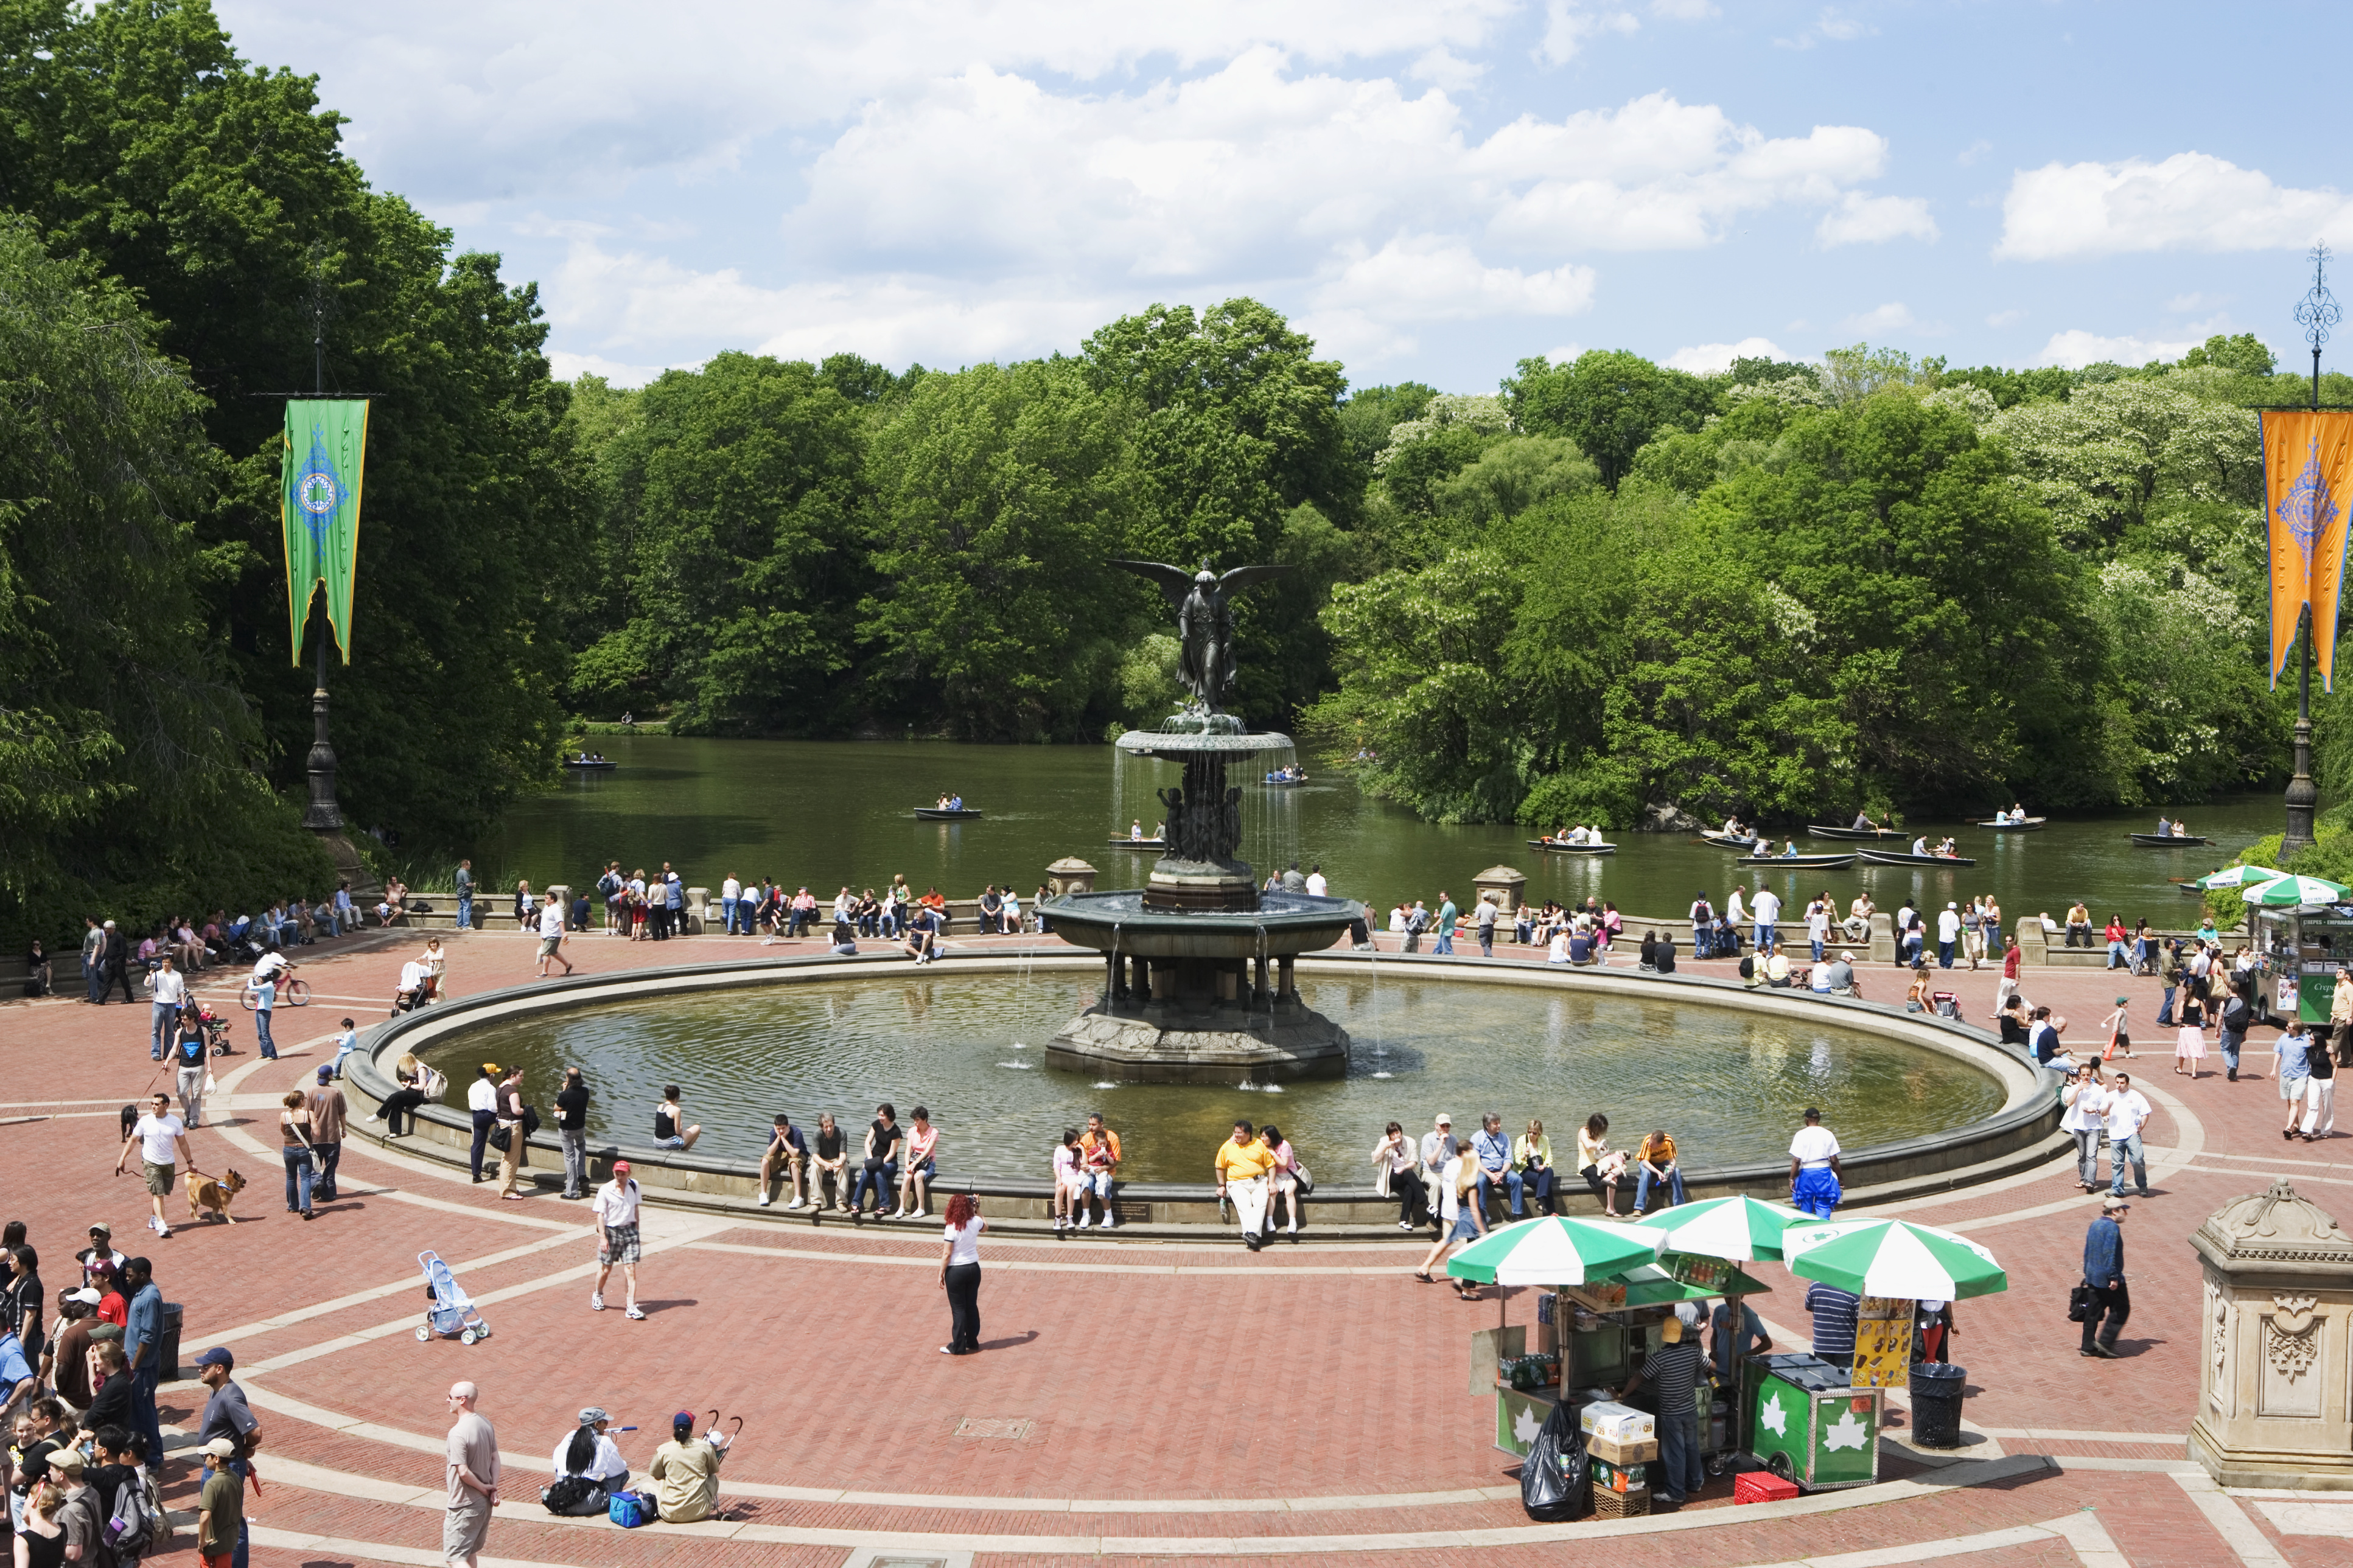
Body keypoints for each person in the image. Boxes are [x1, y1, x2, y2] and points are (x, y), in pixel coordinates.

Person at [1618, 1301, 1704, 1507]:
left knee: (1674, 1453)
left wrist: (1622, 1395)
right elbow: (1710, 1365)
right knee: (1692, 1447)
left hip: (1672, 1415)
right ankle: (1695, 1482)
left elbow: (1638, 1378)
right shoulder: (1692, 1353)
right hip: (1690, 1411)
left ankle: (1676, 1492)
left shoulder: (1660, 1358)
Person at [194, 1345, 258, 1568]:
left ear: (219, 1369)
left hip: (223, 1469)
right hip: (215, 1466)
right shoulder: (217, 1391)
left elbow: (255, 1432)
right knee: (221, 1520)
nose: (200, 1370)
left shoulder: (230, 1397)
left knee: (231, 1523)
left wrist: (244, 1450)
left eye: (205, 1366)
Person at [114, 1095, 190, 1240]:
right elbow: (133, 1141)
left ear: (166, 1105)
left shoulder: (175, 1122)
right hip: (150, 1162)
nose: (153, 1106)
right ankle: (162, 1225)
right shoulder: (144, 1121)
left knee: (161, 1194)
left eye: (157, 1104)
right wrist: (122, 1159)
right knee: (158, 1194)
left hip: (168, 1163)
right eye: (152, 1104)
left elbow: (183, 1143)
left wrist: (190, 1162)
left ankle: (154, 1219)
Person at [1414, 1151, 1485, 1299]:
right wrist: (1482, 1230)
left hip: (1453, 1212)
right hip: (1465, 1219)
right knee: (1470, 1252)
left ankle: (1425, 1268)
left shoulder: (1460, 1177)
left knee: (1447, 1241)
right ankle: (1461, 1280)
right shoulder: (1472, 1183)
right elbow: (1474, 1208)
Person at [444, 1381, 498, 1567]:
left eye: (450, 1397)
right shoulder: (485, 1424)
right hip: (483, 1504)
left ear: (462, 1400)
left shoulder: (457, 1433)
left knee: (455, 1559)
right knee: (469, 1552)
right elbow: (495, 1459)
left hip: (464, 1505)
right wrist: (493, 1489)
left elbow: (463, 1471)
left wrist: (484, 1488)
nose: (447, 1400)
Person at [119, 1258, 163, 1476]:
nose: (127, 1279)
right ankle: (154, 1454)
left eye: (130, 1275)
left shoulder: (150, 1297)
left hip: (142, 1367)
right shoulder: (141, 1293)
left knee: (144, 1413)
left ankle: (152, 1459)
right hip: (137, 1365)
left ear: (143, 1275)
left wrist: (134, 1366)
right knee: (143, 1410)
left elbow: (147, 1336)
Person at [649, 1410, 728, 1523]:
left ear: (674, 1429)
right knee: (713, 1479)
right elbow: (714, 1470)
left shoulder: (664, 1449)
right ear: (691, 1428)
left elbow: (655, 1473)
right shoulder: (704, 1447)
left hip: (669, 1513)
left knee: (646, 1487)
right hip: (699, 1512)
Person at [548, 1407, 629, 1513]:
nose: (606, 1425)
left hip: (561, 1501)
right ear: (596, 1424)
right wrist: (612, 1453)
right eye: (605, 1422)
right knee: (623, 1474)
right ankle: (606, 1504)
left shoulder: (570, 1436)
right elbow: (619, 1469)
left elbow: (556, 1463)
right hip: (584, 1504)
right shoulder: (604, 1442)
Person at [590, 1161, 645, 1319]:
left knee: (631, 1270)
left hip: (629, 1231)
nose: (620, 1177)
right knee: (606, 1269)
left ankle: (631, 1307)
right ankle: (598, 1294)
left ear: (629, 1174)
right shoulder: (606, 1190)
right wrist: (603, 1238)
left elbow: (635, 1208)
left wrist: (637, 1230)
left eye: (623, 1174)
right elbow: (600, 1215)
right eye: (617, 1174)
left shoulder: (634, 1186)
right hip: (611, 1231)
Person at [2080, 1197, 2130, 1358]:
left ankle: (2087, 1347)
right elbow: (2110, 1253)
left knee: (2093, 1312)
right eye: (2124, 1210)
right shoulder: (2112, 1228)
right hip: (2108, 1278)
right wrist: (2114, 1277)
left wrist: (2087, 1273)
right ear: (2115, 1211)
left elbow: (2088, 1250)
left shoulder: (2094, 1224)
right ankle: (2106, 1342)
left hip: (2093, 1276)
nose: (2126, 1213)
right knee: (2122, 1309)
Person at [1214, 1120, 1276, 1250]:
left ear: (1248, 1134)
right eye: (1235, 1133)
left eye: (1240, 1133)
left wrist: (1271, 1182)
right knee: (1245, 1207)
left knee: (1261, 1204)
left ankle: (1250, 1235)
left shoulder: (1259, 1144)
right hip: (1237, 1183)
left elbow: (1271, 1165)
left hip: (1259, 1182)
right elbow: (1219, 1167)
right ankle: (1252, 1236)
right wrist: (1221, 1185)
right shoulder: (1228, 1146)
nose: (1236, 1136)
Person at [939, 1191, 986, 1354]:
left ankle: (958, 1346)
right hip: (974, 1268)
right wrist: (978, 1207)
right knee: (971, 1306)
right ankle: (972, 1341)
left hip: (956, 1271)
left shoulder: (951, 1226)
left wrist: (941, 1273)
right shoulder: (975, 1221)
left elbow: (947, 1254)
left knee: (958, 1309)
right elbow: (986, 1227)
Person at [2061, 1065, 2108, 1193]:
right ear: (2080, 1076)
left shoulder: (2099, 1090)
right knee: (2082, 1155)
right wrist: (2078, 1091)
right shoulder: (2075, 1088)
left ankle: (2090, 1182)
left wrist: (2096, 1110)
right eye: (2084, 1075)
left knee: (2091, 1155)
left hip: (2094, 1127)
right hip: (2079, 1127)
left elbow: (2105, 1109)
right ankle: (2083, 1179)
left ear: (2091, 1075)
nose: (2086, 1077)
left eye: (2088, 1075)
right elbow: (2069, 1103)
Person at [1371, 1123, 1427, 1230]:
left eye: (1397, 1133)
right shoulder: (1384, 1142)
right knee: (1409, 1173)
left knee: (1409, 1188)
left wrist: (1404, 1168)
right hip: (1390, 1175)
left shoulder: (1410, 1142)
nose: (1396, 1136)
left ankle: (1404, 1220)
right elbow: (1375, 1159)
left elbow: (1414, 1162)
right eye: (1392, 1134)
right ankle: (1426, 1204)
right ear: (1389, 1136)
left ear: (1401, 1132)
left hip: (1404, 1174)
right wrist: (1385, 1147)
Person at [2104, 1071, 2152, 1198]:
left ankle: (2142, 1185)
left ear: (2127, 1083)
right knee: (2117, 1164)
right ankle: (2117, 1189)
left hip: (2132, 1134)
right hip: (2115, 1135)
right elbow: (2102, 1112)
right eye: (2117, 1083)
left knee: (2138, 1160)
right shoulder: (2110, 1096)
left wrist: (2140, 1128)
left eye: (2122, 1083)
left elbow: (2145, 1113)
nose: (2119, 1085)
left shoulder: (2136, 1096)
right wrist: (2107, 1108)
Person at [851, 1104, 903, 1218]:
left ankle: (885, 1206)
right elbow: (867, 1142)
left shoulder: (896, 1131)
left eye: (882, 1115)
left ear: (889, 1116)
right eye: (879, 1115)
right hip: (874, 1157)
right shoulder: (876, 1125)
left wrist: (879, 1164)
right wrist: (870, 1160)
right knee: (865, 1173)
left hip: (889, 1162)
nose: (880, 1118)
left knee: (879, 1173)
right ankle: (856, 1204)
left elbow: (892, 1153)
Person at [1788, 1108, 1841, 1219]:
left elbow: (1796, 1161)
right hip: (1824, 1174)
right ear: (1819, 1119)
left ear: (1806, 1119)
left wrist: (1792, 1179)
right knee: (1823, 1205)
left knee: (1806, 1206)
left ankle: (1806, 1229)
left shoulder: (1800, 1135)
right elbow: (1834, 1160)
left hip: (1806, 1175)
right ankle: (1824, 1227)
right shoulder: (1828, 1134)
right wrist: (1840, 1179)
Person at [307, 1065, 348, 1203]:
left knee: (314, 1166)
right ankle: (329, 1193)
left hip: (315, 1137)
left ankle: (316, 1184)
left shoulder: (310, 1091)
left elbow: (306, 1114)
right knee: (330, 1167)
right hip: (332, 1137)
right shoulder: (337, 1092)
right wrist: (344, 1129)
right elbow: (342, 1113)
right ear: (330, 1076)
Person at [1074, 1112, 1121, 1229]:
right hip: (1090, 1170)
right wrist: (1081, 1166)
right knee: (1086, 1185)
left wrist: (1105, 1168)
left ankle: (1109, 1217)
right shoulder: (1086, 1138)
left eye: (1094, 1125)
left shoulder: (1112, 1137)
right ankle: (1086, 1216)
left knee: (1102, 1187)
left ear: (1101, 1124)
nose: (1091, 1127)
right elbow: (1078, 1156)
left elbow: (1116, 1160)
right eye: (1089, 1124)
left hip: (1106, 1172)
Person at [1804, 1278, 1860, 1372]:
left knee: (1825, 1381)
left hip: (1821, 1344)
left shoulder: (1815, 1285)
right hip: (1846, 1347)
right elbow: (1860, 1318)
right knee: (1844, 1383)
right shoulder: (1855, 1290)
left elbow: (1808, 1306)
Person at [895, 1106, 939, 1219]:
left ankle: (921, 1208)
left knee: (918, 1177)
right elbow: (908, 1150)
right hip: (913, 1160)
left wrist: (914, 1163)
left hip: (927, 1162)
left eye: (918, 1120)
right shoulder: (912, 1131)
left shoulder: (934, 1132)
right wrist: (907, 1165)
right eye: (914, 1120)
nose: (915, 1123)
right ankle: (901, 1208)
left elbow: (927, 1151)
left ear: (925, 1120)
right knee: (907, 1177)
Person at [493, 1066, 530, 1201]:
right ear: (513, 1076)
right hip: (513, 1126)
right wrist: (526, 1110)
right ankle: (508, 1191)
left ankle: (507, 1187)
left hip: (503, 1125)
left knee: (506, 1158)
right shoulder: (512, 1090)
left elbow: (498, 1108)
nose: (522, 1078)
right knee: (512, 1159)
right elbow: (516, 1110)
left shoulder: (500, 1088)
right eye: (521, 1075)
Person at [1575, 1113, 1623, 1217]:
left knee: (1620, 1170)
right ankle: (1610, 1208)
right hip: (1586, 1165)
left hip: (1599, 1164)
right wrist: (1600, 1146)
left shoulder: (1598, 1136)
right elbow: (1588, 1145)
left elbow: (1599, 1154)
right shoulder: (1583, 1131)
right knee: (1612, 1178)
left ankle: (1610, 1208)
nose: (1600, 1131)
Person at [757, 1112, 807, 1208]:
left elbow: (794, 1154)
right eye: (778, 1129)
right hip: (781, 1153)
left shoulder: (797, 1133)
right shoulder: (773, 1133)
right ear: (775, 1127)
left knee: (794, 1164)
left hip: (799, 1153)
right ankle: (763, 1194)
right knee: (765, 1161)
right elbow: (770, 1152)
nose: (780, 1131)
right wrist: (778, 1138)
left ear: (788, 1126)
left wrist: (783, 1138)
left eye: (783, 1128)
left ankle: (798, 1197)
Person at [1509, 1119, 1554, 1219]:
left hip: (1539, 1169)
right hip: (1525, 1170)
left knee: (1549, 1171)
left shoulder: (1544, 1139)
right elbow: (1516, 1162)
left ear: (1539, 1133)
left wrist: (1545, 1165)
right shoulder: (1522, 1140)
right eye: (1529, 1132)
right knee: (1546, 1182)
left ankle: (1542, 1203)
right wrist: (1523, 1156)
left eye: (1534, 1133)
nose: (1531, 1135)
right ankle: (1550, 1212)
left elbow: (1549, 1157)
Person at [1632, 1127, 1683, 1214]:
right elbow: (1645, 1162)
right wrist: (1658, 1172)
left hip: (1663, 1162)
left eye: (1652, 1144)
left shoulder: (1669, 1141)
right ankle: (1639, 1208)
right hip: (1647, 1162)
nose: (1650, 1144)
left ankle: (1679, 1205)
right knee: (1646, 1173)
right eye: (1650, 1141)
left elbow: (1672, 1160)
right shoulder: (1647, 1141)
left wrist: (1671, 1168)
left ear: (1660, 1144)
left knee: (1677, 1171)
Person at [2280, 1021, 2315, 1143]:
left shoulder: (2307, 1039)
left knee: (2295, 1101)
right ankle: (2295, 1125)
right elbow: (2278, 1052)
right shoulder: (2284, 1037)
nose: (2286, 1028)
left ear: (2296, 1029)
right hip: (2286, 1073)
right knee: (2290, 1101)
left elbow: (2319, 1045)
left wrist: (2330, 1049)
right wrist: (2274, 1069)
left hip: (2301, 1075)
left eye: (2289, 1027)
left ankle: (2288, 1128)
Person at [809, 1113, 849, 1211]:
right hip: (821, 1159)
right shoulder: (817, 1134)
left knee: (845, 1166)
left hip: (836, 1158)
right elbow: (815, 1156)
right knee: (814, 1167)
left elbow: (843, 1154)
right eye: (826, 1127)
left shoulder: (842, 1133)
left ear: (834, 1124)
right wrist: (824, 1164)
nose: (829, 1129)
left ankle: (841, 1202)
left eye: (831, 1126)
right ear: (821, 1127)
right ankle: (816, 1202)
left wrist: (841, 1161)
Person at [2304, 1030, 2338, 1140]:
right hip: (2314, 1079)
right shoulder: (2309, 1050)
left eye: (2311, 1039)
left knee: (2328, 1106)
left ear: (2317, 1041)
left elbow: (2335, 1067)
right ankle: (2308, 1131)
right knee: (2312, 1105)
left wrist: (2332, 1082)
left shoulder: (2327, 1052)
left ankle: (2326, 1130)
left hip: (2327, 1081)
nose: (2309, 1040)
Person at [535, 893, 573, 979]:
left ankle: (545, 972)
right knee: (554, 952)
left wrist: (564, 933)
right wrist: (542, 935)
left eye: (547, 898)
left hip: (554, 934)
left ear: (552, 900)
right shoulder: (546, 908)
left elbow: (560, 921)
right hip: (547, 934)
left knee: (546, 953)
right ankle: (568, 966)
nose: (545, 899)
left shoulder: (556, 908)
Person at [652, 1085, 701, 1152]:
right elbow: (678, 1132)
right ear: (678, 1097)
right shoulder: (676, 1109)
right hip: (669, 1143)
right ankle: (684, 1153)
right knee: (697, 1128)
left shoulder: (660, 1106)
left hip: (657, 1142)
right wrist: (681, 1126)